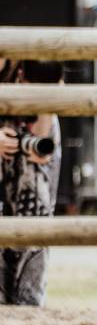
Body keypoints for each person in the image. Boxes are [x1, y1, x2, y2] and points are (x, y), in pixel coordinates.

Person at [0, 59, 60, 306]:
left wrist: (41, 142)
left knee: (37, 202)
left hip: (32, 131)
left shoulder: (30, 58)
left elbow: (41, 145)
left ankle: (30, 297)